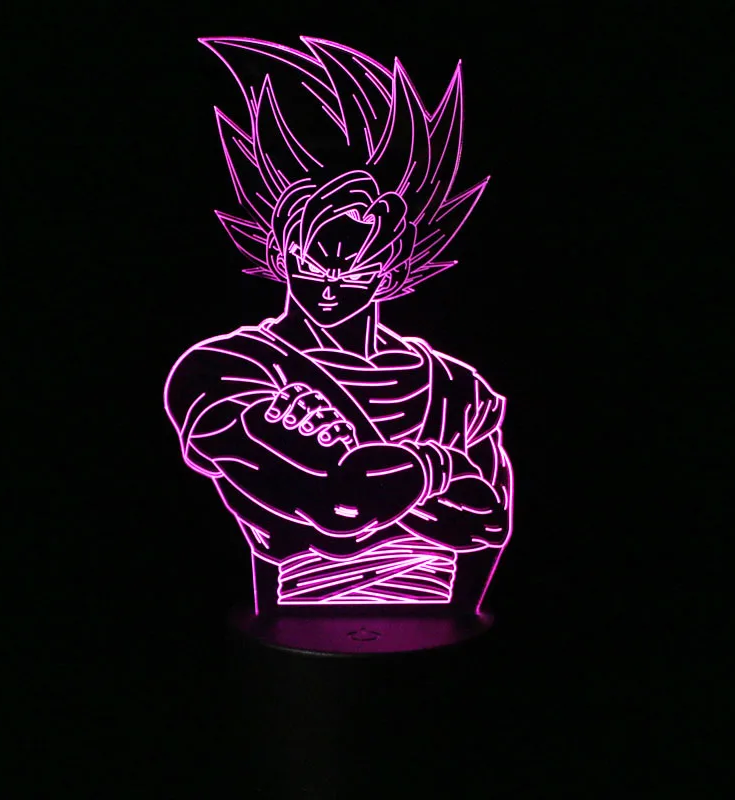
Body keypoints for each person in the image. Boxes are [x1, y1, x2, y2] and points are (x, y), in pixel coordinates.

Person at [164, 37, 513, 613]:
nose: (328, 289)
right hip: (289, 633)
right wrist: (441, 468)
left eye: (355, 271)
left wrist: (376, 482)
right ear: (282, 255)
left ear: (390, 269)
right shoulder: (225, 369)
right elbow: (340, 503)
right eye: (310, 266)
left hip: (449, 634)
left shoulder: (456, 386)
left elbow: (489, 525)